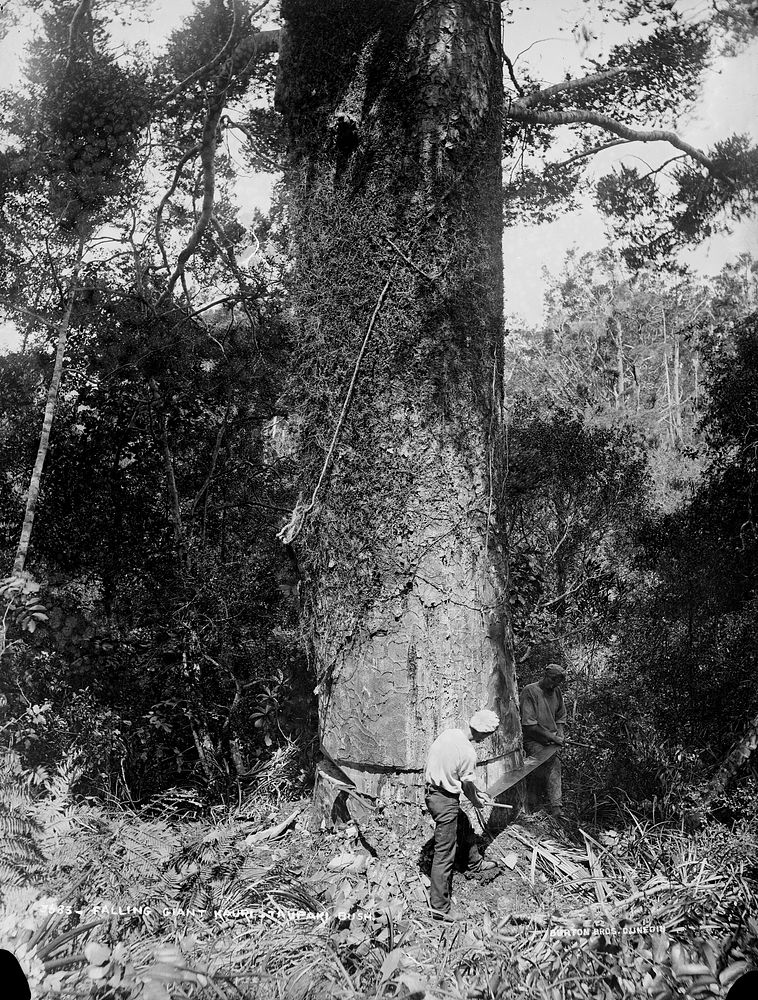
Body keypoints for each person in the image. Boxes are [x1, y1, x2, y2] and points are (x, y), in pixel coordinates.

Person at [424, 708, 500, 920]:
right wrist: (477, 802)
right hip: (444, 800)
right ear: (485, 735)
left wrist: (479, 793)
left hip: (434, 793)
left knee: (464, 824)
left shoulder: (449, 734)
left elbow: (461, 777)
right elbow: (466, 787)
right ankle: (439, 908)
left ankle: (474, 863)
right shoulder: (468, 753)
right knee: (444, 854)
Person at [519, 663, 567, 819]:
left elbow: (560, 716)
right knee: (538, 769)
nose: (554, 684)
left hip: (551, 741)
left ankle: (556, 808)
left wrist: (559, 734)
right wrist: (552, 737)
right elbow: (529, 725)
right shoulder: (530, 691)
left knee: (555, 767)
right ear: (545, 675)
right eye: (552, 680)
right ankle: (532, 807)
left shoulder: (556, 691)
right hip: (534, 740)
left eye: (558, 682)